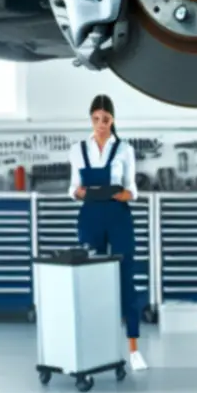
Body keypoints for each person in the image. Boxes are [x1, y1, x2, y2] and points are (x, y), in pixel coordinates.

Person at [68, 95, 147, 371]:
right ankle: (95, 347)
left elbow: (133, 189)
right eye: (96, 119)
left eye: (106, 119)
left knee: (126, 280)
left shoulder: (125, 149)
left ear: (113, 120)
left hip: (118, 217)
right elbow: (73, 187)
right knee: (92, 281)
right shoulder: (77, 150)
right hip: (90, 217)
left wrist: (122, 194)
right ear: (90, 119)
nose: (101, 125)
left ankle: (134, 350)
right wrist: (79, 192)